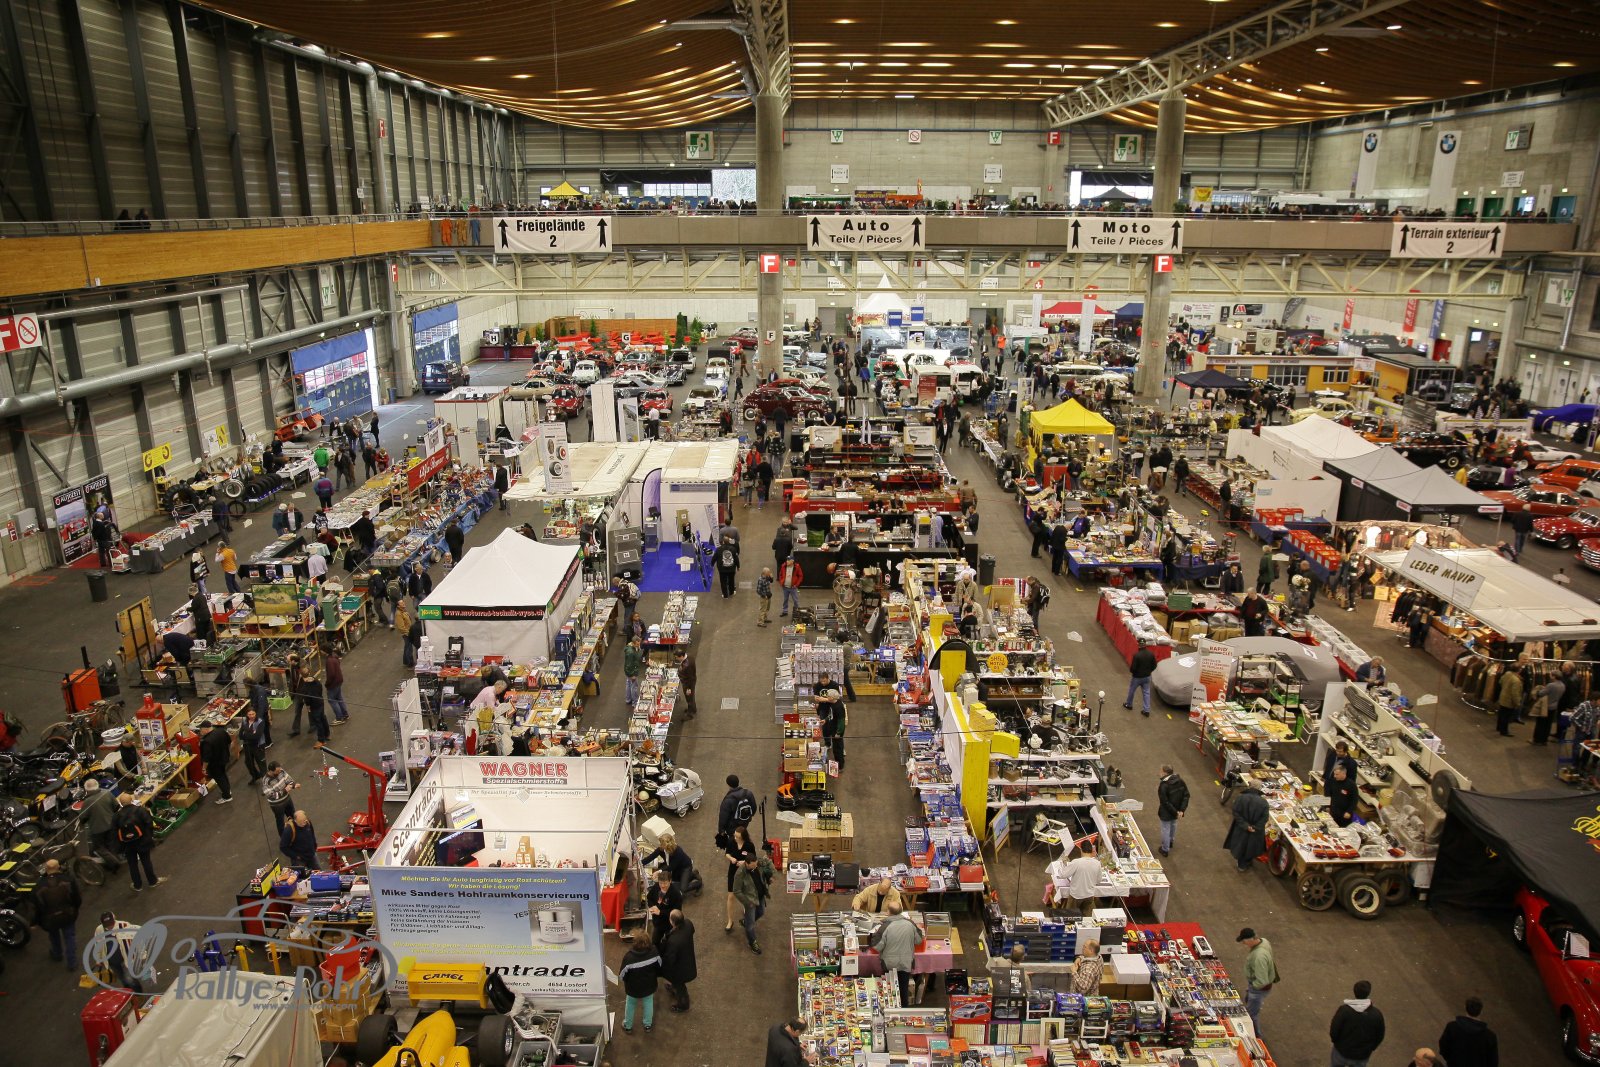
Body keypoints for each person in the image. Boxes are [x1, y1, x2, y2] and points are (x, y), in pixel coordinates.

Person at [871, 902, 925, 1005]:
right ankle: (904, 1010)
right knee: (903, 989)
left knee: (890, 990)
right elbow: (919, 940)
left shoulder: (884, 927)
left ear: (888, 912)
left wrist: (875, 935)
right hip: (906, 962)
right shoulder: (910, 924)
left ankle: (890, 1009)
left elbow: (877, 946)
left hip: (889, 964)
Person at [35, 857, 83, 968]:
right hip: (67, 914)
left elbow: (37, 905)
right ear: (59, 867)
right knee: (69, 937)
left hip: (50, 918)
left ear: (46, 869)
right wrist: (75, 909)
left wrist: (36, 921)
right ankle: (72, 962)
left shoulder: (39, 886)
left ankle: (57, 954)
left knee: (53, 935)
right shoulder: (68, 880)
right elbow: (76, 898)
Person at [1329, 979, 1386, 1067]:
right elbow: (1380, 1035)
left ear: (1354, 991)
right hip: (1361, 1056)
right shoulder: (1376, 1015)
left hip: (1342, 1051)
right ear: (1368, 993)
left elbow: (1334, 1030)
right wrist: (1370, 1048)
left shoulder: (1344, 1011)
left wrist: (1336, 1042)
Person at [114, 794, 164, 891]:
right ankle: (152, 881)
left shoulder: (116, 816)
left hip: (127, 845)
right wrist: (148, 838)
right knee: (146, 861)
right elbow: (149, 823)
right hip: (142, 842)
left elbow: (114, 832)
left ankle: (137, 885)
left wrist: (120, 846)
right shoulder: (140, 811)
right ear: (131, 800)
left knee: (132, 865)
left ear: (121, 804)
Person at [618, 928, 662, 1033]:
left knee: (630, 1005)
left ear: (635, 942)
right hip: (649, 986)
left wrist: (627, 981)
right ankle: (647, 1025)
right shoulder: (654, 952)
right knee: (648, 1003)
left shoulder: (629, 958)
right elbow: (659, 966)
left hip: (633, 989)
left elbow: (622, 975)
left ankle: (628, 1026)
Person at [1237, 928, 1279, 1036]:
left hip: (1258, 989)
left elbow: (1262, 981)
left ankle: (1256, 1036)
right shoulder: (1264, 941)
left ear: (1251, 939)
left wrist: (1253, 987)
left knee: (1251, 1015)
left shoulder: (1259, 957)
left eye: (1244, 941)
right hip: (1258, 985)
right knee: (1249, 1002)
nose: (1243, 943)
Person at [732, 848, 775, 954]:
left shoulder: (757, 862)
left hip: (760, 896)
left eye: (756, 865)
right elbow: (736, 891)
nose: (755, 867)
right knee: (750, 925)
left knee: (761, 912)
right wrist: (747, 903)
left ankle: (746, 922)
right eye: (753, 866)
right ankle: (752, 942)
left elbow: (769, 862)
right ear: (746, 863)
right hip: (750, 901)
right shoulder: (740, 874)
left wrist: (772, 875)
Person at [1438, 996, 1497, 1067]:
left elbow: (1443, 1046)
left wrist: (1451, 1060)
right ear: (1481, 1011)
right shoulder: (1490, 1036)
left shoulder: (1452, 1027)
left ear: (1465, 1007)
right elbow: (1493, 1062)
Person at [641, 830, 702, 898]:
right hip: (676, 867)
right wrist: (640, 863)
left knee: (683, 889)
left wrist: (658, 872)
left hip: (685, 867)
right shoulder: (661, 849)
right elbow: (651, 857)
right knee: (676, 880)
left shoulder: (678, 851)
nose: (660, 845)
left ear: (667, 845)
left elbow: (671, 867)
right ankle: (693, 874)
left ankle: (698, 884)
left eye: (662, 844)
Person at [1225, 781, 1269, 873]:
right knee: (1251, 847)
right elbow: (1264, 818)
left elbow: (1236, 812)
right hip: (1255, 831)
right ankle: (1246, 862)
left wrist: (1245, 825)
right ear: (1259, 788)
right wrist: (1255, 827)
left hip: (1241, 828)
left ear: (1250, 786)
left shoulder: (1240, 798)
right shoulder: (1264, 802)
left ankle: (1242, 865)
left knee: (1241, 845)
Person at [80, 779, 121, 873]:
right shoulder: (107, 793)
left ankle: (113, 862)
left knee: (99, 848)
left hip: (97, 829)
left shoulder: (87, 802)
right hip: (111, 824)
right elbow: (116, 806)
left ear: (86, 790)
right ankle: (114, 863)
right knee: (111, 845)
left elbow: (83, 818)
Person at [660, 909, 697, 1013]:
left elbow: (670, 959)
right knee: (677, 983)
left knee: (680, 985)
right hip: (688, 959)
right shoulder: (688, 924)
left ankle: (683, 1004)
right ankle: (674, 987)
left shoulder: (674, 941)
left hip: (680, 968)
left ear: (672, 922)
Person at [1156, 764, 1189, 857]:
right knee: (1173, 826)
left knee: (1165, 830)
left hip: (1167, 813)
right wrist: (1181, 811)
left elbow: (1165, 802)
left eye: (1160, 771)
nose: (1159, 773)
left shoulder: (1164, 785)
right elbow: (1186, 796)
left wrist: (1176, 812)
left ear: (1164, 773)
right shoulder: (1181, 781)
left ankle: (1165, 849)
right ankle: (1170, 842)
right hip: (1177, 811)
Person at [646, 867, 684, 946]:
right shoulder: (656, 887)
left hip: (669, 924)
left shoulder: (676, 894)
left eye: (665, 883)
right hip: (657, 923)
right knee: (655, 942)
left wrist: (660, 912)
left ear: (670, 881)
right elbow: (649, 898)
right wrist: (652, 906)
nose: (662, 886)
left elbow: (676, 912)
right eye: (660, 883)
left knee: (670, 943)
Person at [198, 721, 233, 804]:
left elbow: (206, 758)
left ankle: (227, 797)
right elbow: (229, 741)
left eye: (201, 730)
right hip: (224, 759)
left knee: (220, 779)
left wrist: (204, 768)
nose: (200, 732)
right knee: (223, 775)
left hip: (215, 764)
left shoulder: (207, 741)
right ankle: (227, 790)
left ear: (206, 729)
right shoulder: (221, 731)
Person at [261, 762, 300, 835]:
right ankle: (283, 836)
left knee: (292, 816)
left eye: (279, 770)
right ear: (271, 771)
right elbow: (271, 795)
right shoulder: (265, 781)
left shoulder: (281, 771)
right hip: (277, 805)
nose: (279, 772)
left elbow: (289, 780)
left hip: (287, 799)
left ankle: (296, 832)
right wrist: (285, 790)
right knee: (280, 821)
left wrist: (293, 785)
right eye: (277, 771)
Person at [1125, 638, 1157, 716]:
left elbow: (1133, 668)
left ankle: (1129, 704)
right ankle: (1146, 710)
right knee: (1146, 693)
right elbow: (1154, 665)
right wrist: (1149, 671)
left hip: (1137, 677)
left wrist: (1135, 673)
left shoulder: (1137, 655)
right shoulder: (1151, 654)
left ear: (1138, 645)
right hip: (1147, 677)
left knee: (1132, 691)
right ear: (1145, 644)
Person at [238, 707, 268, 784]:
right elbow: (240, 735)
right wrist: (251, 733)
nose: (251, 716)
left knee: (261, 764)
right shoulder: (245, 721)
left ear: (256, 713)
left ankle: (266, 782)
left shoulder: (260, 722)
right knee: (248, 763)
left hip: (258, 746)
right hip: (247, 745)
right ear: (247, 714)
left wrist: (246, 734)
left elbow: (257, 736)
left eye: (253, 714)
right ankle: (255, 776)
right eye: (249, 714)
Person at [1494, 666, 1524, 738]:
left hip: (1503, 697)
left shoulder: (1507, 674)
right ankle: (1504, 731)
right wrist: (1517, 703)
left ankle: (1499, 727)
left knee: (1501, 714)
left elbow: (1500, 682)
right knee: (1506, 717)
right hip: (1509, 701)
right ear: (1519, 670)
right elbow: (1515, 694)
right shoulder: (1516, 681)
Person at [676, 650, 698, 719]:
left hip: (688, 683)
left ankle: (690, 714)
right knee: (691, 697)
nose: (676, 659)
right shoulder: (689, 657)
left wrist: (689, 688)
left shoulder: (687, 665)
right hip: (690, 681)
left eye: (677, 657)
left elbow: (690, 677)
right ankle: (693, 709)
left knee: (689, 697)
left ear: (681, 656)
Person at [623, 636, 643, 706]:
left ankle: (628, 699)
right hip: (632, 672)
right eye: (637, 644)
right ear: (633, 643)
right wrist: (632, 675)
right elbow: (629, 665)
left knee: (628, 684)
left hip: (629, 672)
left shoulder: (631, 648)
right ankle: (635, 702)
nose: (638, 645)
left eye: (639, 644)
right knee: (634, 687)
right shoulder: (631, 652)